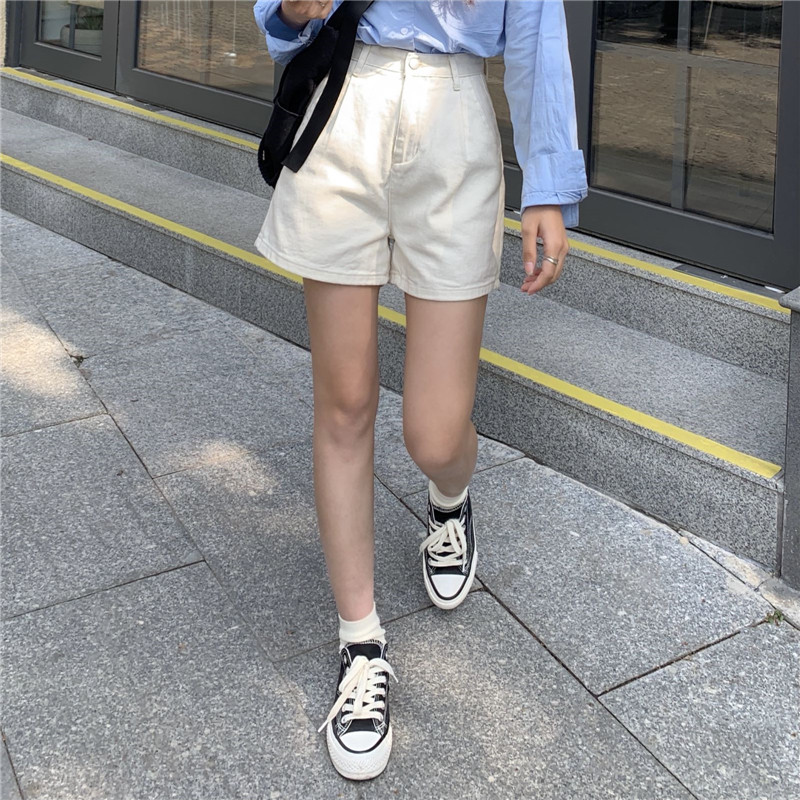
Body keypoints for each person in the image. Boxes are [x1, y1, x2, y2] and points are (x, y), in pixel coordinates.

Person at [252, 0, 588, 781]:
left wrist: (547, 185)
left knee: (435, 433)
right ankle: (361, 644)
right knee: (345, 403)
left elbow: (538, 33)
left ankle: (449, 498)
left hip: (453, 118)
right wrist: (292, 10)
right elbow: (283, 21)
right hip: (343, 110)